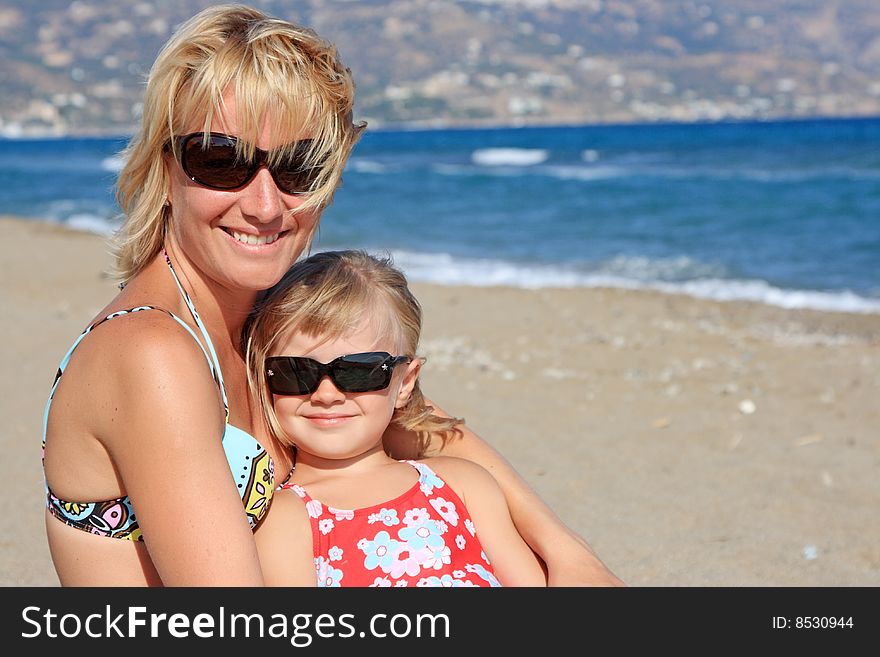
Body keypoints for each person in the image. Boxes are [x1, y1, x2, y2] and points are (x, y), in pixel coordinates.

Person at [41, 3, 622, 586]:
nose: (265, 205)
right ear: (165, 168)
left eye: (299, 166)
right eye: (221, 161)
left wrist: (570, 555)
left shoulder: (259, 317)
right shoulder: (152, 353)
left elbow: (418, 420)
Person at [247, 250, 548, 587]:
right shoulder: (286, 518)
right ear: (265, 378)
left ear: (405, 382)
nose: (326, 394)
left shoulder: (461, 485)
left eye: (359, 371)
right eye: (296, 372)